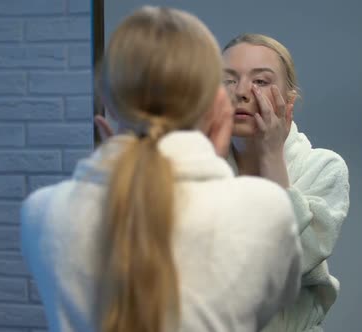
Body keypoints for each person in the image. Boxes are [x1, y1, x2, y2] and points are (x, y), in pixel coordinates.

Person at [21, 7, 302, 332]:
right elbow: (270, 308)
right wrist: (209, 158)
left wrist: (120, 160)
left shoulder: (41, 212)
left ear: (109, 104)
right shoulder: (266, 210)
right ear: (216, 104)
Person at [222, 33, 350, 332]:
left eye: (261, 81)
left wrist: (271, 156)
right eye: (228, 79)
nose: (241, 91)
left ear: (290, 100)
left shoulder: (323, 167)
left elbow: (287, 266)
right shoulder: (199, 169)